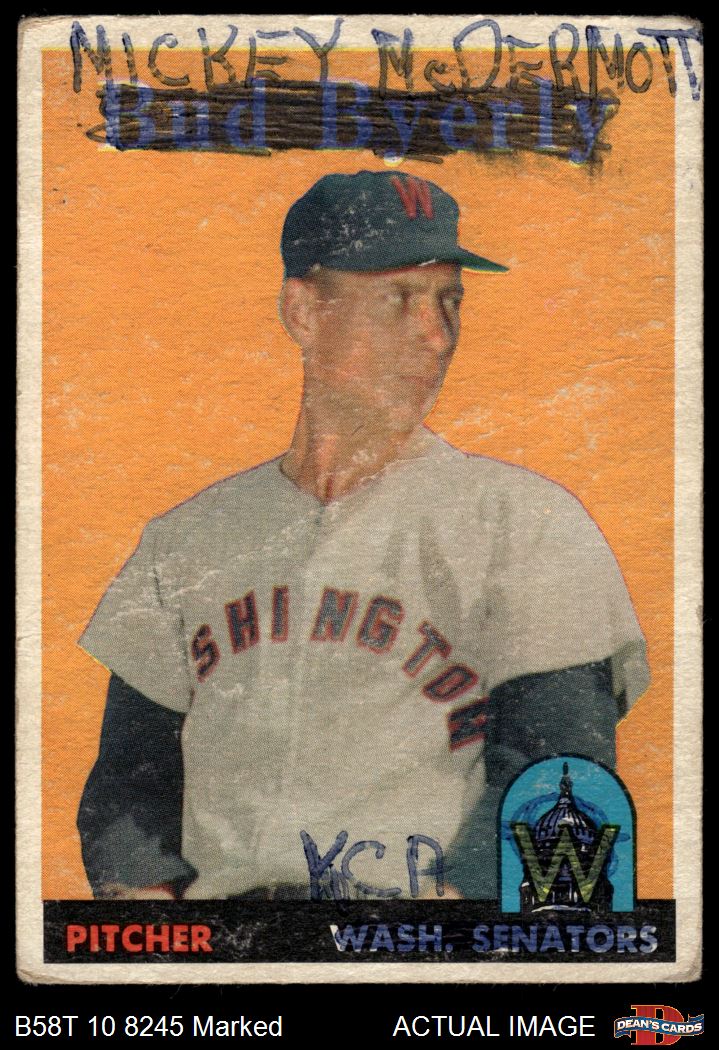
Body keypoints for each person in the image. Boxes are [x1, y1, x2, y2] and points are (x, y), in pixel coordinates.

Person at [77, 170, 649, 901]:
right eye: (397, 299)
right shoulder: (187, 538)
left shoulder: (524, 521)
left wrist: (451, 929)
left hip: (423, 926)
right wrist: (151, 918)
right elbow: (127, 791)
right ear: (302, 311)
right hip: (227, 940)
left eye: (449, 300)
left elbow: (562, 771)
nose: (434, 336)